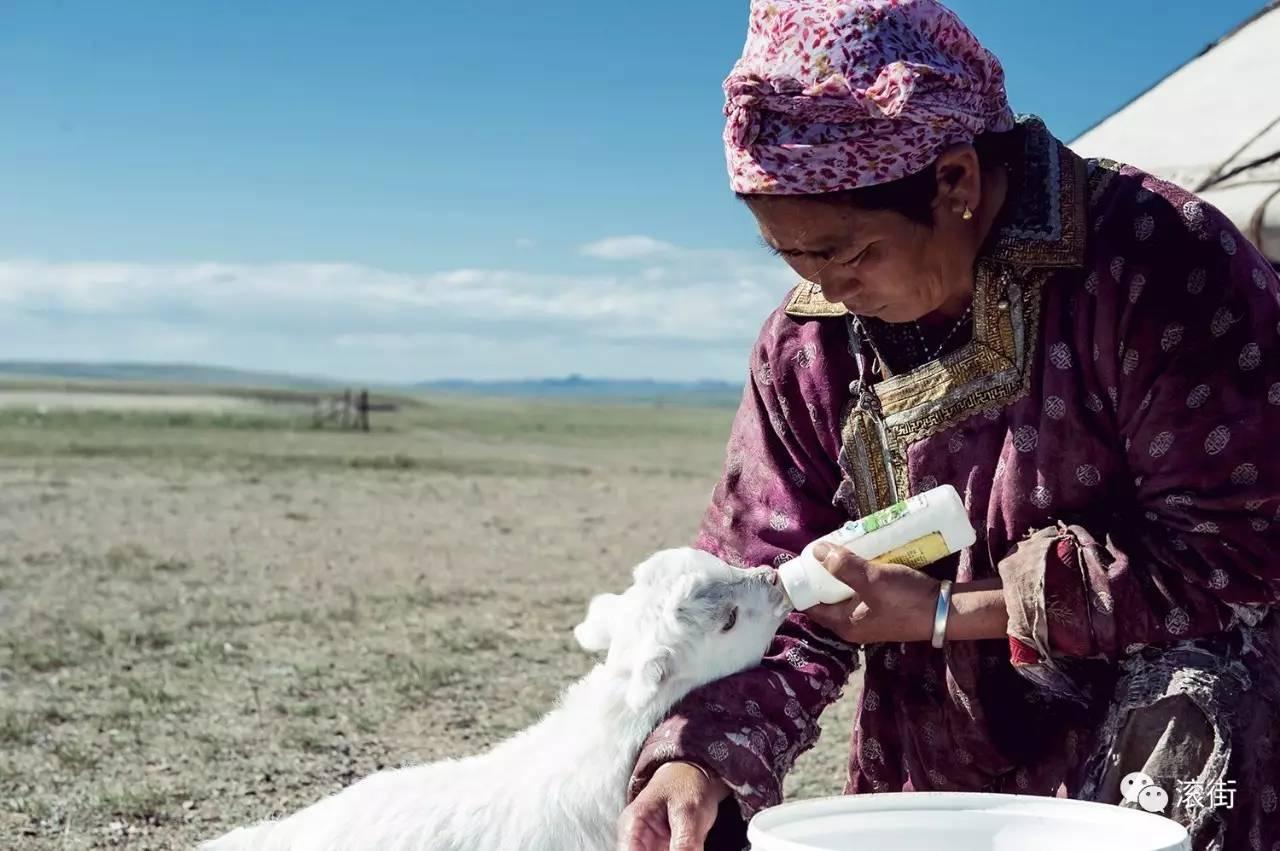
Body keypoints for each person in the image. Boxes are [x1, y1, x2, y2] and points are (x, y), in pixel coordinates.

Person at [615, 2, 1280, 849]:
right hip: (944, 742)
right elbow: (767, 585)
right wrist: (695, 758)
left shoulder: (1159, 262)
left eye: (849, 253)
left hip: (1172, 728)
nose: (826, 286)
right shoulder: (809, 344)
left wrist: (947, 611)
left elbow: (1239, 549)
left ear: (956, 182)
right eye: (791, 256)